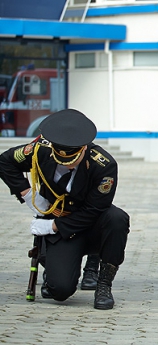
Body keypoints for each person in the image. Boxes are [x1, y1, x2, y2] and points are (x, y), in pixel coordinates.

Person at [0, 109, 130, 309]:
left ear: (83, 149)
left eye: (72, 161)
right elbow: (5, 162)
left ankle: (104, 284)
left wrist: (53, 226)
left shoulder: (103, 164)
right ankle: (51, 265)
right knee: (60, 291)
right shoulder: (40, 149)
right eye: (60, 160)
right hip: (64, 232)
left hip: (89, 225)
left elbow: (95, 210)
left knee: (116, 218)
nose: (67, 165)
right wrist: (28, 194)